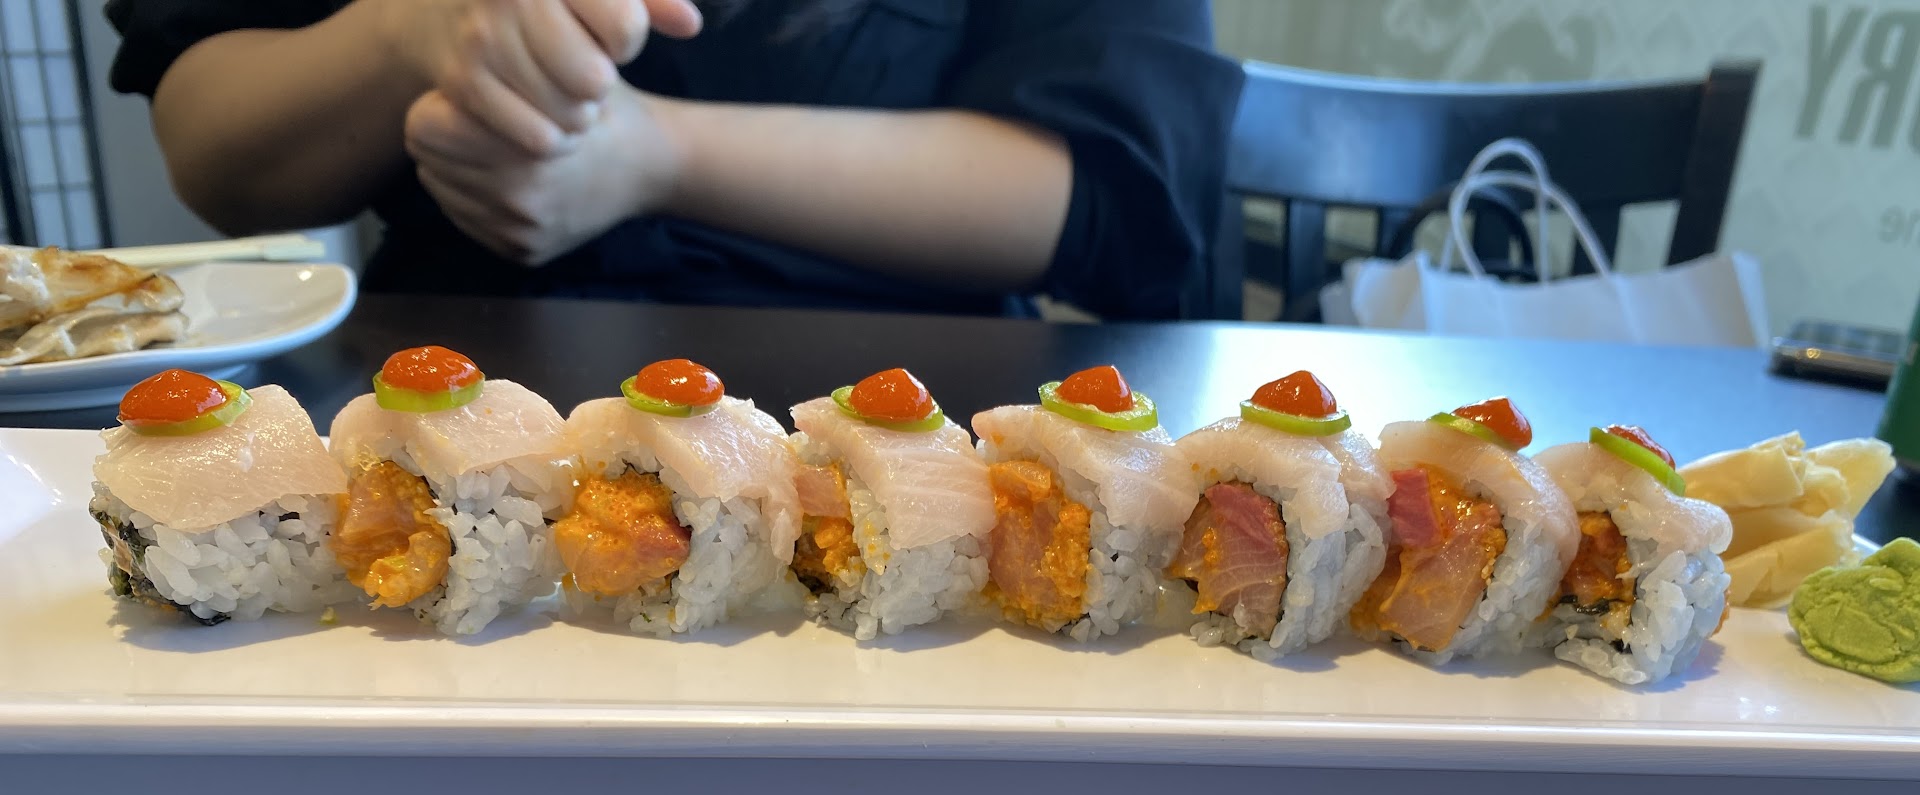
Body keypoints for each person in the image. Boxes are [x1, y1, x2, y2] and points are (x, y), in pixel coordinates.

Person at [106, 0, 1243, 317]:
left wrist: (654, 157)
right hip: (450, 371)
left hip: (916, 393)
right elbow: (213, 155)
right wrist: (405, 28)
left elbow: (1099, 203)